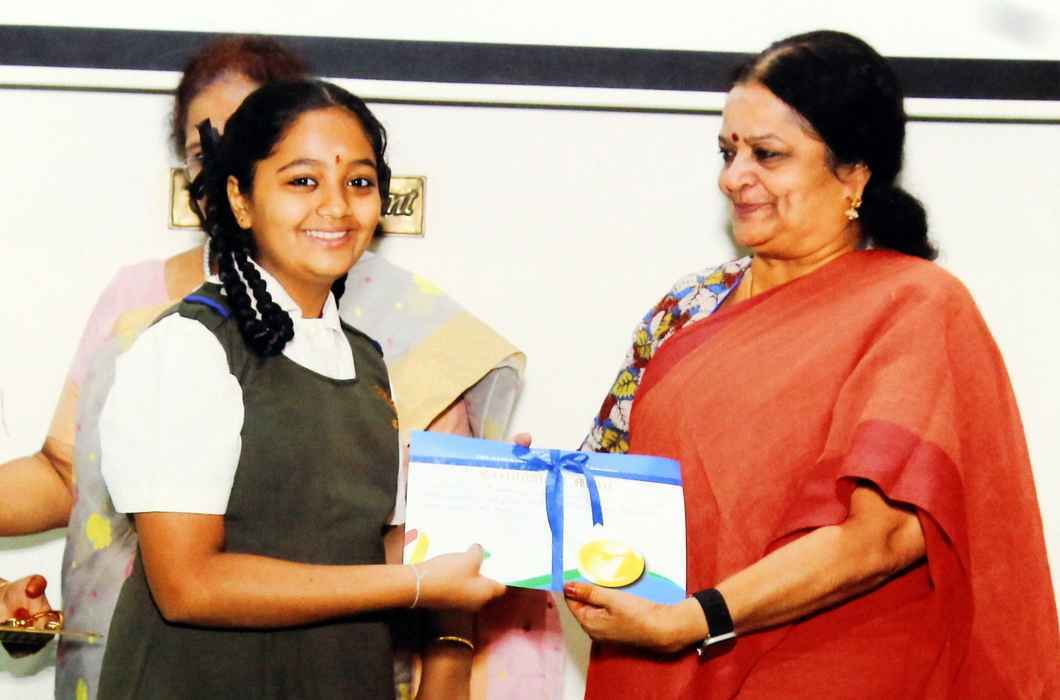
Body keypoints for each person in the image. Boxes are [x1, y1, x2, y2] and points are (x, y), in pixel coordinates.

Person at [0, 37, 532, 700]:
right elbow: (190, 585)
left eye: (359, 182)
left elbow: (346, 549)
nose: (335, 206)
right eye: (302, 181)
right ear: (241, 198)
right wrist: (416, 583)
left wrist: (490, 510)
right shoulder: (187, 347)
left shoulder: (363, 357)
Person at [564, 30, 1058, 698]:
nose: (733, 177)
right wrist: (518, 498)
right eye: (728, 151)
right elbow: (609, 481)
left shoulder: (915, 307)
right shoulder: (689, 306)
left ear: (854, 172)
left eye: (767, 154)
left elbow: (885, 536)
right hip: (661, 666)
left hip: (829, 673)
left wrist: (694, 619)